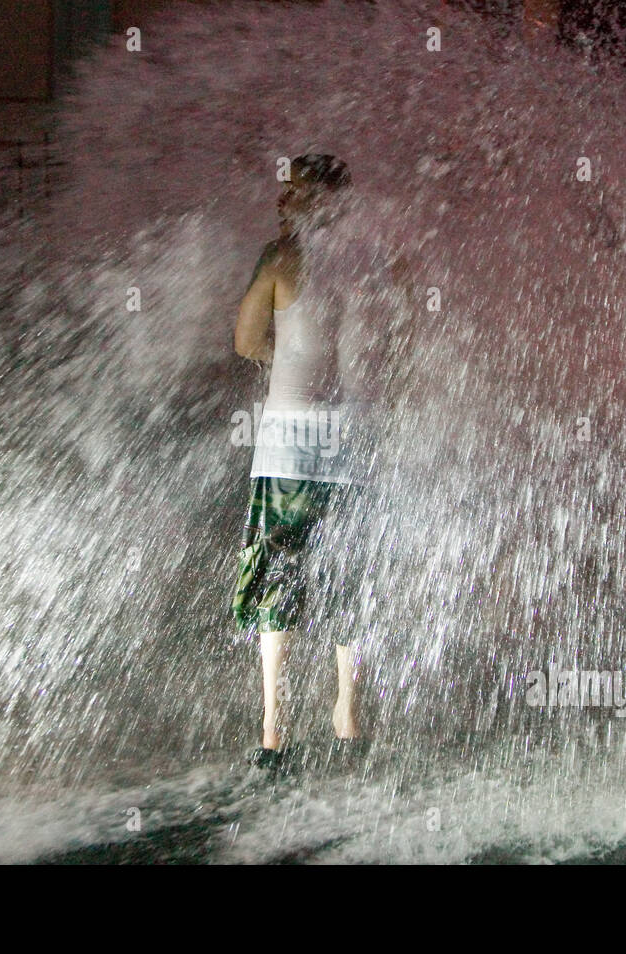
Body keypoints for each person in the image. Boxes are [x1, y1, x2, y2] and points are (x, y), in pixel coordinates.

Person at [231, 154, 364, 771]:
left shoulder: (280, 257)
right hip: (352, 440)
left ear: (318, 200)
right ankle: (348, 720)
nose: (282, 201)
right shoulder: (372, 261)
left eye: (295, 192)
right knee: (347, 576)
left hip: (288, 442)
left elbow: (244, 341)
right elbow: (395, 348)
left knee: (278, 577)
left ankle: (273, 733)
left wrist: (280, 359)